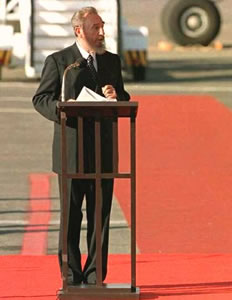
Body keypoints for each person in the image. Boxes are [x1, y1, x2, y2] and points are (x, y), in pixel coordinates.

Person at [32, 7, 130, 285]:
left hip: (104, 151)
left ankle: (95, 274)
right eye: (95, 28)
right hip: (71, 151)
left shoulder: (111, 61)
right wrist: (63, 109)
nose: (101, 33)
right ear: (79, 31)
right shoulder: (60, 62)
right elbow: (41, 99)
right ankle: (71, 273)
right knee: (72, 216)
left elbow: (123, 96)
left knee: (101, 216)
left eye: (102, 26)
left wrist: (116, 95)